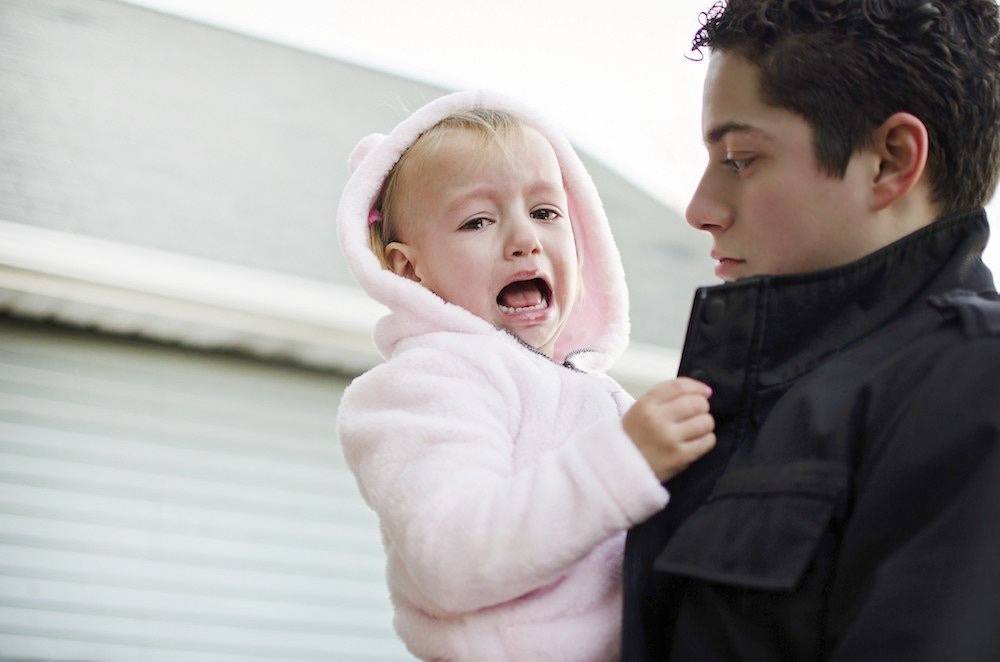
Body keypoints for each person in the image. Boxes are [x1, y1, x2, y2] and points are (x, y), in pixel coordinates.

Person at [622, 1, 1000, 660]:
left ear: (890, 161)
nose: (699, 209)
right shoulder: (755, 398)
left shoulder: (975, 387)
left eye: (740, 157)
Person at [335, 90, 716, 661]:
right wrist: (628, 459)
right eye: (477, 220)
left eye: (544, 212)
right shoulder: (427, 383)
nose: (525, 239)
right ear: (409, 270)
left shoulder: (595, 393)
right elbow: (451, 555)